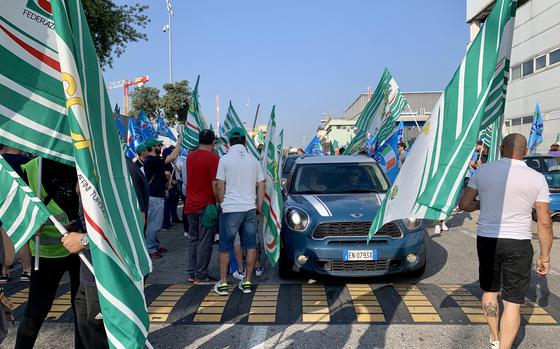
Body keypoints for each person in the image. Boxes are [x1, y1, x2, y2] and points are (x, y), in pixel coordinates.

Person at [459, 133, 553, 349]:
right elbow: (545, 223)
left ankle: (494, 338)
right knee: (513, 303)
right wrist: (544, 257)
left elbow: (465, 204)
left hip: (487, 239)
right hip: (518, 242)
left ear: (500, 148)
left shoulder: (483, 171)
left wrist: (482, 205)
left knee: (490, 291)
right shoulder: (536, 178)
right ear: (526, 152)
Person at [15, 158, 83, 349]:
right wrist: (29, 225)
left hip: (82, 250)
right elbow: (16, 206)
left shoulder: (83, 162)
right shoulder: (31, 168)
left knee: (83, 309)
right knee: (37, 309)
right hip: (46, 253)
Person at [213, 127, 265, 295]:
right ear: (244, 141)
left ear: (229, 143)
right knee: (250, 246)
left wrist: (222, 202)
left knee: (224, 247)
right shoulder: (253, 160)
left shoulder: (225, 159)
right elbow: (262, 184)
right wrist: (259, 205)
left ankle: (223, 284)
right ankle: (247, 282)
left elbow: (219, 184)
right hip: (249, 208)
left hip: (230, 209)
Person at [185, 130, 219, 284]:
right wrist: (218, 201)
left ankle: (192, 273)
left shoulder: (190, 157)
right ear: (213, 142)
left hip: (190, 205)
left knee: (194, 240)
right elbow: (214, 184)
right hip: (207, 206)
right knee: (205, 241)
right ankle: (201, 275)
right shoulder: (213, 158)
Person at [143, 138, 181, 260]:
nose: (161, 147)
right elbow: (173, 157)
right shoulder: (152, 160)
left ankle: (154, 245)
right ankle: (151, 249)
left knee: (155, 223)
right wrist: (180, 141)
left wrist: (166, 186)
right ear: (153, 147)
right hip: (154, 196)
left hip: (156, 195)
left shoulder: (152, 161)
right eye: (159, 145)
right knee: (153, 224)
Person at [0, 145, 32, 282]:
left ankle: (4, 271)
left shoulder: (2, 161)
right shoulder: (26, 161)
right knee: (21, 238)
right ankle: (27, 269)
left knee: (3, 239)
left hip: (2, 203)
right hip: (19, 203)